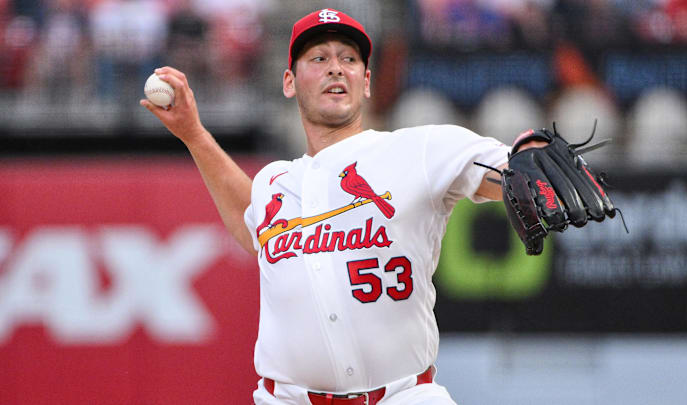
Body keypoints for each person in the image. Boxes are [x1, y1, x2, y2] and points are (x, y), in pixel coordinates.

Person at [141, 8, 548, 405]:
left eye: (349, 59)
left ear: (366, 81)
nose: (336, 68)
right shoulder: (274, 182)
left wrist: (532, 161)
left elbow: (508, 171)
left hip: (406, 395)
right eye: (318, 58)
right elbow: (253, 228)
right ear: (289, 82)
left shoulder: (419, 149)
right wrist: (193, 134)